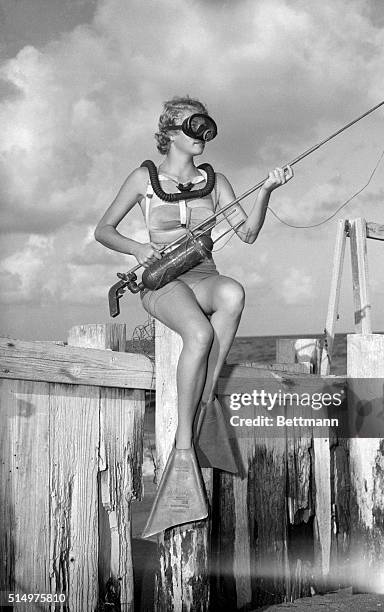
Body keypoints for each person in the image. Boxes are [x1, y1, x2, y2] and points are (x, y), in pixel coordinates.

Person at [95, 96, 293, 533]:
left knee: (234, 293)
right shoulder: (144, 178)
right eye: (193, 125)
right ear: (169, 132)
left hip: (203, 275)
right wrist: (137, 248)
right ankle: (185, 445)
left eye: (206, 126)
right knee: (198, 336)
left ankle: (205, 404)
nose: (203, 134)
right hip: (162, 280)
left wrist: (265, 190)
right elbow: (103, 230)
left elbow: (248, 233)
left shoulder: (215, 180)